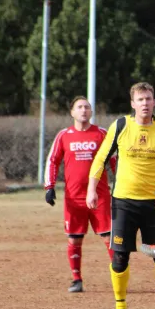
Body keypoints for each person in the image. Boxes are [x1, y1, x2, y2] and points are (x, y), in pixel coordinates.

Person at [86, 82, 155, 309]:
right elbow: (101, 158)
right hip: (123, 203)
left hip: (154, 204)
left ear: (154, 102)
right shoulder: (120, 126)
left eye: (148, 99)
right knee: (119, 257)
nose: (144, 103)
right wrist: (91, 189)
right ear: (132, 103)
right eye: (140, 99)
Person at [44, 96, 114, 293]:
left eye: (87, 107)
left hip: (100, 197)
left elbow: (115, 159)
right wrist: (49, 187)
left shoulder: (102, 134)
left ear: (91, 112)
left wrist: (119, 183)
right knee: (75, 239)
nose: (84, 110)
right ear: (72, 112)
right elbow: (53, 161)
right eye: (79, 107)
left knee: (109, 238)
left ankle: (118, 276)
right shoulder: (64, 135)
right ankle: (77, 279)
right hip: (73, 198)